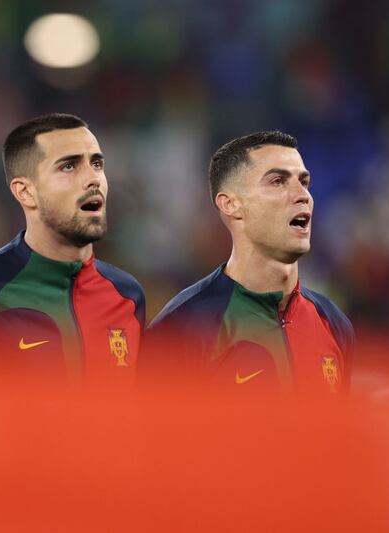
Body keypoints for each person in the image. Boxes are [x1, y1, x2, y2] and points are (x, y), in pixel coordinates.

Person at [142, 131, 354, 394]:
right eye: (278, 181)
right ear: (230, 204)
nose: (303, 196)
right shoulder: (181, 327)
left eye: (304, 182)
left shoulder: (333, 322)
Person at [0, 113, 145, 385]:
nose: (93, 179)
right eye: (69, 166)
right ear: (25, 192)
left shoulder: (127, 295)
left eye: (96, 164)